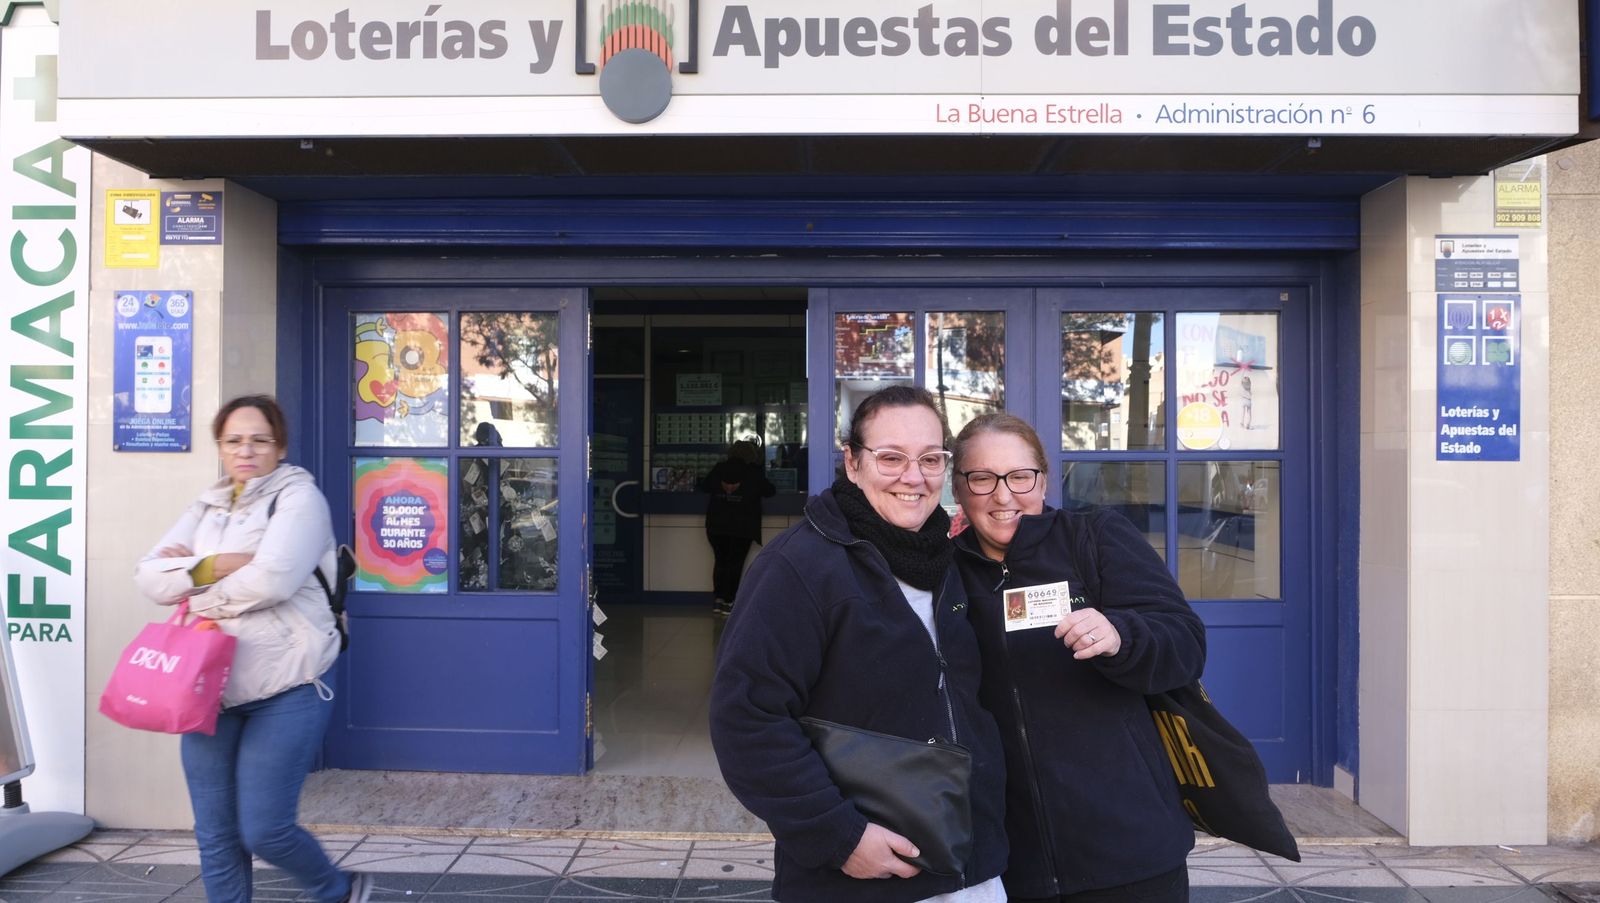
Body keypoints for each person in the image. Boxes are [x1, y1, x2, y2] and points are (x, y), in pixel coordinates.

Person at [710, 386, 1008, 903]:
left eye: (930, 458)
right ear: (852, 462)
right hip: (857, 876)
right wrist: (839, 836)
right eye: (891, 458)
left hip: (971, 868)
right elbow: (747, 717)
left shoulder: (954, 560)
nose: (913, 477)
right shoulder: (799, 568)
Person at [950, 412, 1206, 903]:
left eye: (1020, 476)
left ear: (1043, 479)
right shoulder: (947, 573)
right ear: (959, 488)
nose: (1004, 495)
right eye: (982, 478)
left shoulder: (1095, 538)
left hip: (1129, 847)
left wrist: (1121, 635)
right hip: (1007, 859)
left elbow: (1185, 643)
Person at [133, 395, 370, 903]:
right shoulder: (207, 505)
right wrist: (216, 563)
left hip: (287, 685)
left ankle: (336, 888)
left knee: (264, 830)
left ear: (279, 446)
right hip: (209, 689)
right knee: (215, 834)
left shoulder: (299, 499)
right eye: (234, 440)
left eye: (260, 439)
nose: (247, 450)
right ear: (220, 446)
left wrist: (197, 586)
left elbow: (273, 580)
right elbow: (150, 578)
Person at [698, 438, 775, 617]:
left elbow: (704, 486)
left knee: (721, 561)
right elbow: (770, 491)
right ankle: (729, 602)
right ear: (751, 455)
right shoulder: (753, 472)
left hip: (717, 525)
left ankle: (718, 600)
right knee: (735, 563)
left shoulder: (719, 469)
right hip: (742, 526)